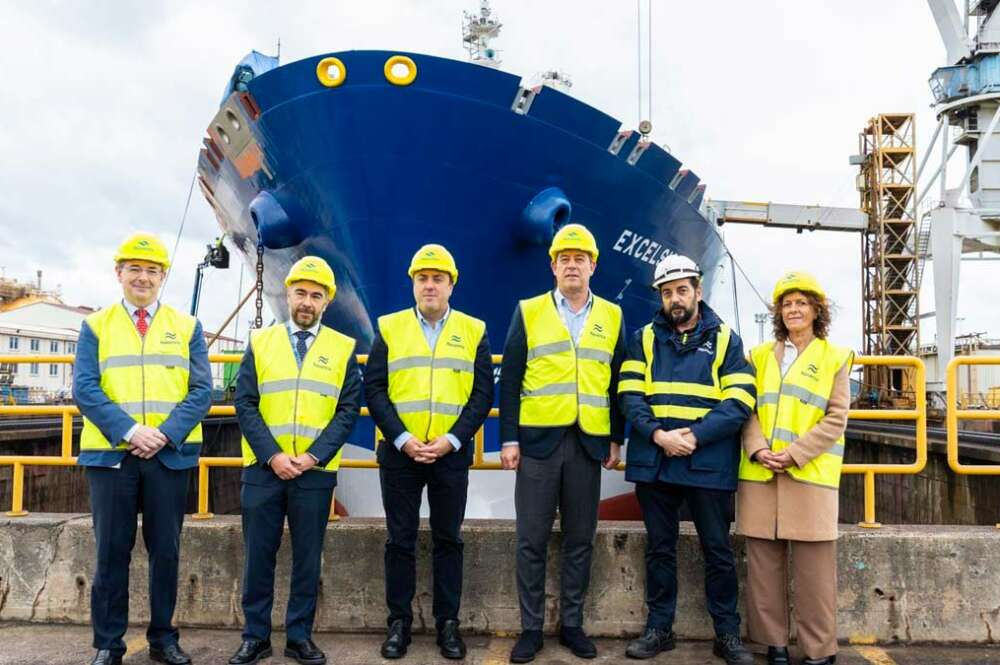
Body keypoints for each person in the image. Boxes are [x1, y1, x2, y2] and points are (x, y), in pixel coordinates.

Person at [74, 232, 212, 665]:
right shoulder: (95, 325)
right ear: (119, 273)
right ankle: (108, 644)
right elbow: (85, 388)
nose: (143, 277)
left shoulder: (186, 327)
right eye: (134, 268)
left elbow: (201, 390)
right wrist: (131, 431)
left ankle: (163, 638)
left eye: (152, 270)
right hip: (112, 456)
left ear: (163, 277)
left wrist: (165, 434)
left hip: (168, 456)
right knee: (111, 552)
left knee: (165, 551)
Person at [618, 254, 755, 664]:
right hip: (656, 460)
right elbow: (628, 395)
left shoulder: (728, 340)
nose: (675, 299)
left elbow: (739, 401)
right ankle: (660, 629)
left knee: (717, 550)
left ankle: (727, 634)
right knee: (660, 549)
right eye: (666, 292)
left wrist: (694, 436)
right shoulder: (642, 338)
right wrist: (659, 435)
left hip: (707, 463)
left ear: (698, 290)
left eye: (681, 290)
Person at [499, 223, 625, 663]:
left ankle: (572, 624)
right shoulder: (528, 311)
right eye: (564, 259)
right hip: (537, 442)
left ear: (593, 266)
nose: (572, 266)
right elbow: (510, 377)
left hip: (589, 444)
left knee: (579, 539)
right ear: (552, 266)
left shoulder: (612, 315)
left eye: (580, 259)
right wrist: (508, 438)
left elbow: (619, 382)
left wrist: (616, 438)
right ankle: (530, 628)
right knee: (530, 540)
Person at [229, 257, 361, 665]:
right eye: (301, 293)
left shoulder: (343, 349)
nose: (307, 302)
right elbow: (245, 402)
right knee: (258, 557)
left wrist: (311, 457)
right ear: (287, 295)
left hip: (314, 472)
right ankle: (256, 636)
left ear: (327, 302)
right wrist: (274, 455)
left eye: (316, 295)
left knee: (307, 558)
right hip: (264, 470)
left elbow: (347, 411)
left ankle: (299, 636)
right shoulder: (260, 343)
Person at [365, 244, 494, 660]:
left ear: (451, 285)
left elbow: (481, 394)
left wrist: (452, 439)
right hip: (400, 454)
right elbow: (375, 388)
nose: (430, 285)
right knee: (399, 540)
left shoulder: (473, 330)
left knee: (448, 539)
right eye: (423, 278)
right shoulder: (389, 327)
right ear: (413, 284)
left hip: (449, 455)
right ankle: (398, 623)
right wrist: (402, 438)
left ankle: (448, 624)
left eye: (438, 278)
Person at [737, 271, 852, 665]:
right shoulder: (758, 357)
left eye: (801, 302)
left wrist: (796, 453)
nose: (794, 310)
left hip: (810, 474)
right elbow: (746, 409)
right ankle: (773, 645)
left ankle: (819, 649)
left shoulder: (835, 357)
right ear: (778, 313)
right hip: (761, 473)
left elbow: (836, 418)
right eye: (787, 304)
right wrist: (757, 449)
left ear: (817, 310)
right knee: (763, 568)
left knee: (815, 573)